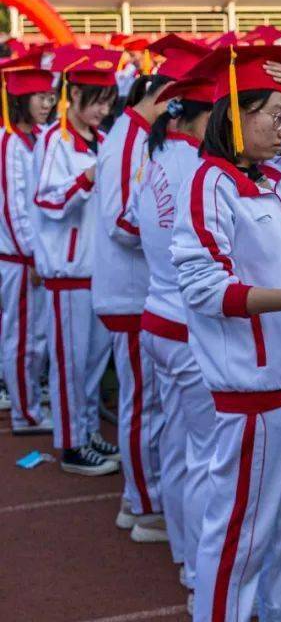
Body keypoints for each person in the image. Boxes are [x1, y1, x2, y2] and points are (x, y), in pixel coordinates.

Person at [171, 44, 281, 622]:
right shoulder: (211, 182)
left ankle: (278, 608)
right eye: (276, 114)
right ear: (235, 116)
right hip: (250, 387)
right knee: (239, 529)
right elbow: (204, 289)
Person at [93, 34, 211, 547]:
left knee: (154, 406)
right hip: (135, 290)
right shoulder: (133, 138)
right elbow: (122, 219)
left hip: (146, 291)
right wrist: (170, 241)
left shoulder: (144, 137)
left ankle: (143, 497)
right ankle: (143, 503)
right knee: (145, 405)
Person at [129, 71, 216, 609]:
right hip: (185, 323)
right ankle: (198, 567)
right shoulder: (196, 168)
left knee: (179, 444)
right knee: (205, 455)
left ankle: (187, 555)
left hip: (157, 314)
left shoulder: (154, 153)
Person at [33, 46, 121, 476]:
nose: (103, 109)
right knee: (69, 362)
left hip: (98, 269)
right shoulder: (55, 139)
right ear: (75, 96)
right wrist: (84, 179)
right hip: (66, 272)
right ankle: (70, 443)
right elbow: (47, 198)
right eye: (96, 100)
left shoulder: (103, 141)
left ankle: (86, 430)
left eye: (108, 100)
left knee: (90, 363)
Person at [0, 50, 55, 435]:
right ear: (20, 99)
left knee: (35, 335)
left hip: (34, 255)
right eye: (39, 97)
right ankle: (26, 413)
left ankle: (30, 396)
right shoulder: (10, 143)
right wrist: (32, 254)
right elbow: (13, 207)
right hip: (20, 258)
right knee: (23, 338)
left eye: (50, 97)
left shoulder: (37, 138)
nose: (47, 104)